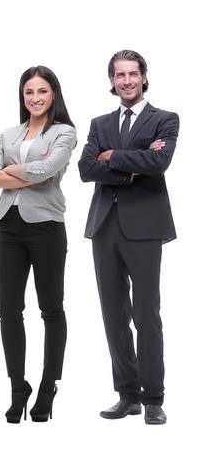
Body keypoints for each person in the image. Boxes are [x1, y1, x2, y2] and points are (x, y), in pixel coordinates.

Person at [79, 50, 176, 426]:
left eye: (133, 74)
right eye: (120, 75)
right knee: (113, 314)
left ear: (144, 76)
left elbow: (160, 163)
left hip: (145, 227)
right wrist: (131, 160)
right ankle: (128, 395)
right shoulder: (99, 122)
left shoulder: (165, 119)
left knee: (146, 313)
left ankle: (153, 398)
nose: (127, 81)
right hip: (105, 225)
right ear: (112, 81)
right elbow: (87, 169)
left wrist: (112, 157)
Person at [0, 66, 76, 424]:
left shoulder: (64, 132)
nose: (35, 98)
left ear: (53, 94)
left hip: (47, 228)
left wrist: (12, 174)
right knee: (9, 311)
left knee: (51, 309)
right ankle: (17, 386)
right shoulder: (8, 133)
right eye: (28, 93)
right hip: (9, 228)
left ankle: (48, 386)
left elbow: (49, 170)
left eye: (41, 91)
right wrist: (28, 171)